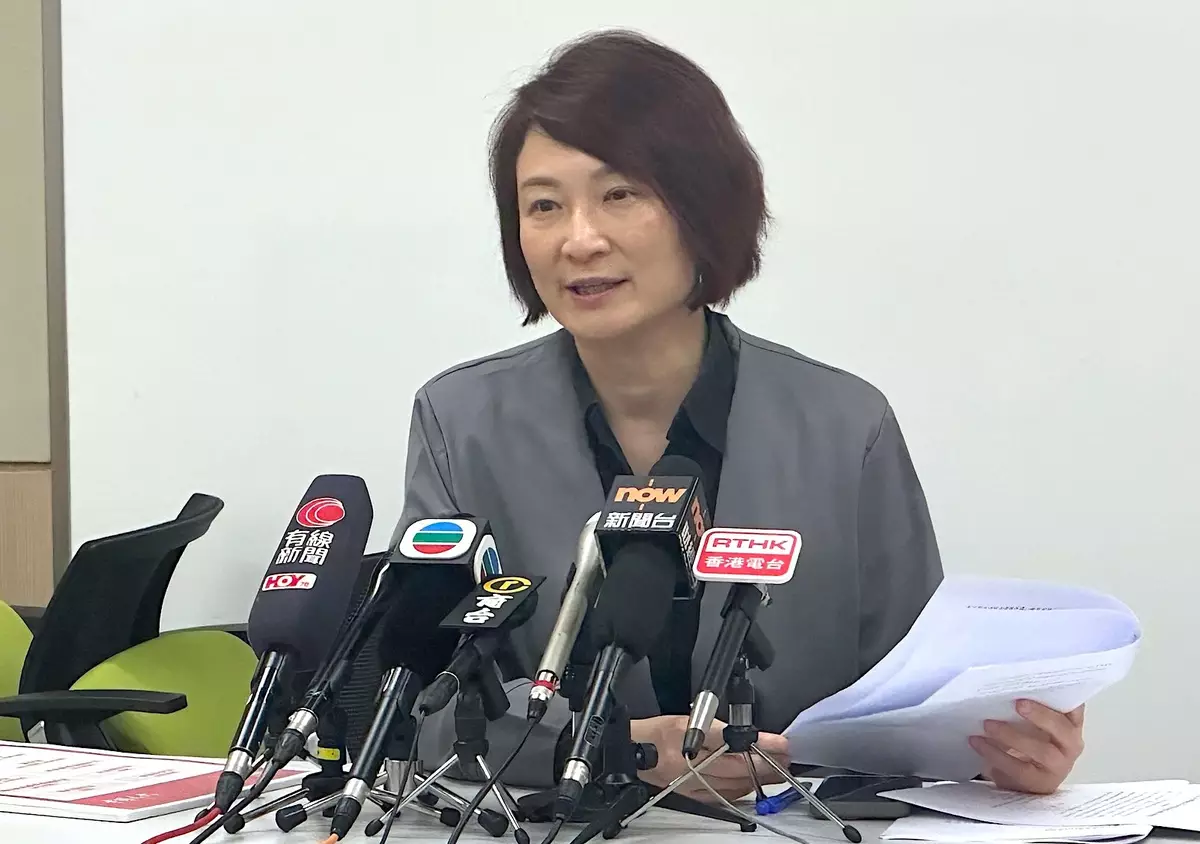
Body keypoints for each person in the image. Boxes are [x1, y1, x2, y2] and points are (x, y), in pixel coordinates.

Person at [396, 29, 1085, 801]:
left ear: (702, 206)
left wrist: (1003, 751)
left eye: (620, 195)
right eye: (544, 206)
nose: (580, 239)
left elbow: (915, 703)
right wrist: (620, 750)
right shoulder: (461, 423)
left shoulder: (844, 427)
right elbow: (416, 707)